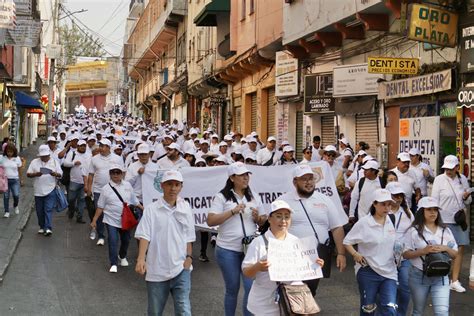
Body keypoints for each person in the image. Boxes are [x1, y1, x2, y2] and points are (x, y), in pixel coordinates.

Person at [242, 200, 324, 316]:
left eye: (287, 217)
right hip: (264, 305)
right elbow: (246, 272)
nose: (283, 221)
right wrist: (258, 266)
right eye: (279, 216)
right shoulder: (259, 242)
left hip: (292, 302)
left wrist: (314, 265)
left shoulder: (295, 241)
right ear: (269, 219)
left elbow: (302, 270)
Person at [278, 164, 348, 295]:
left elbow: (337, 228)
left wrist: (341, 253)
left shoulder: (325, 200)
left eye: (311, 178)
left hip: (316, 258)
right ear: (295, 182)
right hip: (292, 257)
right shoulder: (283, 201)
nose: (308, 182)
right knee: (294, 292)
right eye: (304, 179)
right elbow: (275, 228)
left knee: (310, 292)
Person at [207, 162, 266, 316]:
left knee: (250, 287)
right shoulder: (222, 197)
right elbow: (211, 220)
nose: (246, 178)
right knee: (232, 289)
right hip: (227, 250)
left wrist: (258, 218)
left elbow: (264, 219)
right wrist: (232, 212)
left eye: (247, 175)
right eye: (242, 175)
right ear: (232, 178)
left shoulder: (253, 195)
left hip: (250, 250)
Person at [135, 170, 195, 316]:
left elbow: (189, 237)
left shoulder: (186, 208)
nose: (173, 188)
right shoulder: (151, 210)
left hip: (181, 269)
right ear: (162, 186)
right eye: (169, 184)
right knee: (155, 312)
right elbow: (144, 235)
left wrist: (189, 258)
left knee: (184, 311)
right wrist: (141, 259)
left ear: (181, 186)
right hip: (157, 270)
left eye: (176, 184)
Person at [344, 189, 398, 316]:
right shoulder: (364, 223)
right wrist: (355, 254)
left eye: (389, 204)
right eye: (383, 204)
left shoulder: (391, 219)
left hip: (389, 272)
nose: (387, 207)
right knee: (368, 309)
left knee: (390, 309)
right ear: (374, 204)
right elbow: (347, 241)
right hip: (368, 271)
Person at [403, 197, 458, 315]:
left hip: (441, 276)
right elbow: (406, 254)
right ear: (421, 212)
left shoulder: (446, 230)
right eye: (429, 209)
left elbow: (455, 254)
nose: (433, 212)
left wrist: (446, 248)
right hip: (419, 276)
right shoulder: (413, 231)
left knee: (442, 312)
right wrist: (423, 251)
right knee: (418, 311)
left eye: (435, 210)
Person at [431, 155, 471, 293]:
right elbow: (434, 201)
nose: (448, 171)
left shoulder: (462, 179)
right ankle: (441, 278)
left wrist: (467, 197)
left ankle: (454, 281)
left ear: (457, 167)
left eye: (451, 168)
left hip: (459, 220)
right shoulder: (439, 180)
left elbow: (468, 201)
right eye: (446, 168)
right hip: (444, 219)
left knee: (460, 249)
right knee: (444, 250)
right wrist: (434, 220)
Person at [91, 165, 142, 273]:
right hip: (111, 219)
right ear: (110, 174)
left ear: (122, 174)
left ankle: (122, 256)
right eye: (113, 173)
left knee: (126, 240)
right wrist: (94, 220)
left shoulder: (127, 185)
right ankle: (113, 263)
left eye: (117, 173)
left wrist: (144, 209)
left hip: (126, 219)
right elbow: (100, 206)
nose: (115, 175)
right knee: (113, 240)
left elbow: (134, 200)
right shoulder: (105, 189)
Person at [86, 139, 124, 245]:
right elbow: (91, 174)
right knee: (100, 212)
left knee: (113, 212)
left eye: (103, 146)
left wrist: (123, 187)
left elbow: (123, 173)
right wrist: (89, 188)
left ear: (108, 147)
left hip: (114, 189)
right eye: (100, 145)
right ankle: (101, 235)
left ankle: (113, 232)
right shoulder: (94, 159)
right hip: (98, 190)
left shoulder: (117, 158)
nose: (101, 148)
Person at [386, 181, 413, 316]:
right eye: (395, 195)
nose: (398, 198)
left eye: (400, 195)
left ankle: (400, 313)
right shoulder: (381, 211)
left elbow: (414, 232)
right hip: (385, 257)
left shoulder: (407, 213)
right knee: (387, 288)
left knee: (405, 287)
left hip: (404, 257)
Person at [26, 145, 63, 236]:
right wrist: (36, 174)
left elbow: (60, 174)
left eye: (46, 156)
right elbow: (28, 174)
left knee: (48, 209)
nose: (44, 158)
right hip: (38, 190)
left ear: (49, 155)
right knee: (39, 210)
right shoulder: (34, 162)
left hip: (51, 189)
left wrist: (54, 173)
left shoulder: (54, 162)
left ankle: (48, 228)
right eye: (42, 156)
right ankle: (42, 226)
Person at [62, 140, 91, 223]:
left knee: (82, 200)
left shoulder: (89, 155)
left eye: (84, 146)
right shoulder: (72, 153)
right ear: (78, 146)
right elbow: (65, 163)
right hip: (74, 181)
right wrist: (73, 163)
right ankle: (71, 210)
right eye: (81, 146)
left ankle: (79, 216)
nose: (83, 147)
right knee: (71, 199)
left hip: (84, 181)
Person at [1, 144, 22, 217]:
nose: (9, 153)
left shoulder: (17, 158)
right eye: (8, 151)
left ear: (14, 151)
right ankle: (7, 211)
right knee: (6, 196)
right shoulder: (2, 158)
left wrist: (21, 179)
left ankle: (15, 205)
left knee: (16, 195)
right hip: (5, 180)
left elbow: (20, 169)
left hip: (15, 180)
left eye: (11, 152)